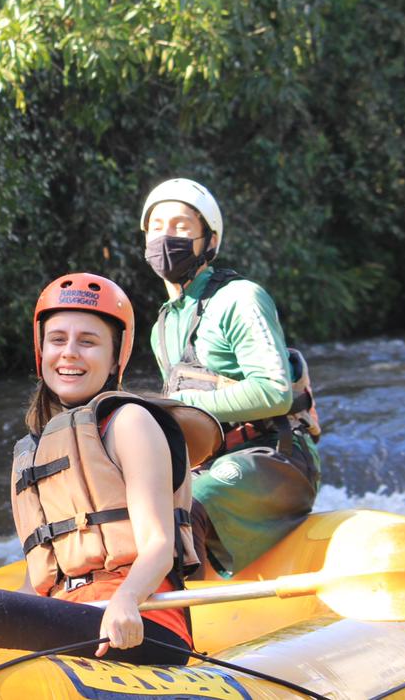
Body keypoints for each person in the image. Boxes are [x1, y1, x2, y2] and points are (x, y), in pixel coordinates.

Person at [0, 274, 221, 665]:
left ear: (114, 357)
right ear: (42, 352)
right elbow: (35, 582)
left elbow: (158, 545)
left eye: (87, 342)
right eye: (57, 340)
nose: (69, 353)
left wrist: (125, 599)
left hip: (137, 623)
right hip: (66, 617)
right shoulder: (32, 451)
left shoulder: (131, 422)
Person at [141, 178, 322, 578]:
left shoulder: (240, 298)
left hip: (276, 455)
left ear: (210, 239)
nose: (165, 237)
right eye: (156, 226)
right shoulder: (161, 327)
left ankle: (191, 624)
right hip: (214, 460)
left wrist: (177, 406)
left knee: (181, 511)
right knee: (140, 508)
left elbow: (274, 392)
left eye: (181, 226)